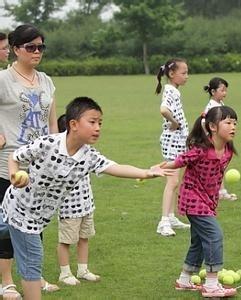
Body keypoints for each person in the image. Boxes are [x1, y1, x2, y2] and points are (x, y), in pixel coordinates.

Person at [0, 96, 173, 300]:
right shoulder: (48, 143)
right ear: (73, 124)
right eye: (92, 122)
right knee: (32, 263)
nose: (98, 127)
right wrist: (13, 176)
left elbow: (115, 167)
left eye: (100, 123)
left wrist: (145, 172)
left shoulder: (88, 156)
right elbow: (16, 156)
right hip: (19, 209)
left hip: (39, 218)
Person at [0, 24, 59, 299]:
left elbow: (52, 125)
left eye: (41, 47)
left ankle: (33, 276)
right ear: (15, 49)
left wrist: (58, 154)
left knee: (35, 224)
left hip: (39, 169)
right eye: (31, 47)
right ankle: (6, 280)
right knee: (8, 226)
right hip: (8, 166)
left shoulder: (46, 81)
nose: (37, 52)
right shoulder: (3, 80)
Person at [162, 106, 238, 298]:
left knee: (198, 241)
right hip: (192, 199)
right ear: (212, 126)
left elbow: (216, 177)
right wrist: (159, 167)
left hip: (208, 200)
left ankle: (184, 279)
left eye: (235, 123)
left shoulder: (228, 150)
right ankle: (211, 285)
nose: (233, 127)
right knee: (214, 235)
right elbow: (180, 160)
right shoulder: (201, 150)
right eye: (228, 122)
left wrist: (216, 197)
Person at [55, 114, 100, 286]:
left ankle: (83, 269)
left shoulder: (86, 152)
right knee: (66, 241)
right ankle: (65, 273)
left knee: (84, 237)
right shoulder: (60, 155)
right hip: (68, 208)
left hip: (86, 204)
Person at [155, 58, 191, 237]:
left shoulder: (174, 90)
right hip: (172, 141)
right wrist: (174, 122)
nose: (187, 76)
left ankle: (171, 217)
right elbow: (164, 110)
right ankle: (163, 222)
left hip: (177, 141)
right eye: (183, 73)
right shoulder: (170, 90)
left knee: (174, 180)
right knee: (173, 181)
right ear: (171, 74)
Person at [203, 77, 237, 201]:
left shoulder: (220, 104)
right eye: (222, 90)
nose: (225, 93)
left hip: (220, 141)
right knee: (216, 167)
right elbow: (203, 122)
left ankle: (220, 191)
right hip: (213, 143)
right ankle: (218, 191)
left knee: (219, 166)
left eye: (226, 90)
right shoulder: (211, 107)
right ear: (213, 92)